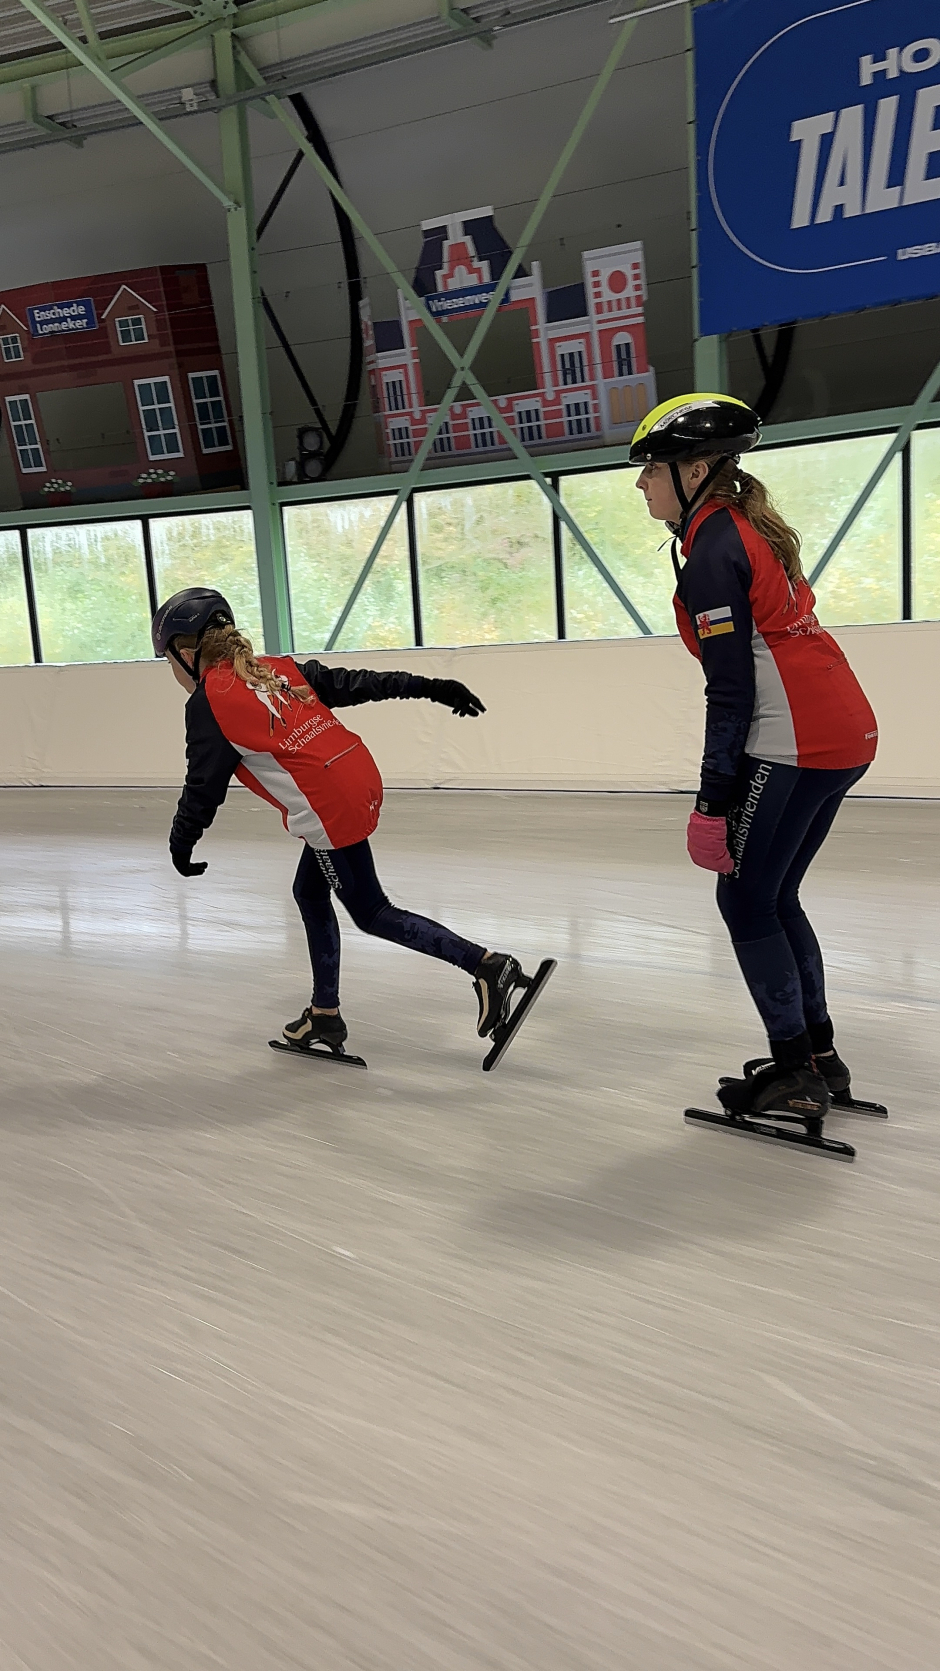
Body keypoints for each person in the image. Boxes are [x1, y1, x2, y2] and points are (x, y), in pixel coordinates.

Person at [151, 587, 546, 1062]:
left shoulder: (208, 703)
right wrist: (432, 687)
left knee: (372, 911)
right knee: (309, 891)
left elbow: (202, 787)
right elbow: (359, 682)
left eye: (167, 661)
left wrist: (180, 843)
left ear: (186, 654)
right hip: (358, 776)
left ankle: (487, 966)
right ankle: (324, 1015)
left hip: (329, 806)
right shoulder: (276, 668)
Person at [630, 394, 878, 1126]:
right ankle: (817, 1058)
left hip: (796, 739)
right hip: (844, 730)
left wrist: (713, 798)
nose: (641, 482)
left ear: (696, 470)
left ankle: (796, 1073)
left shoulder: (714, 549)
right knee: (775, 895)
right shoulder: (738, 526)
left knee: (744, 900)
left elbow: (731, 689)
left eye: (652, 469)